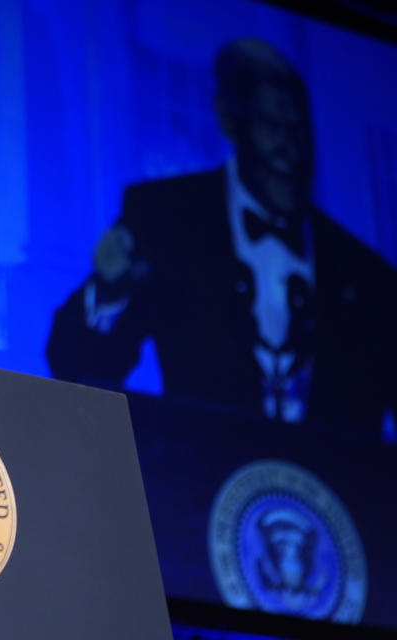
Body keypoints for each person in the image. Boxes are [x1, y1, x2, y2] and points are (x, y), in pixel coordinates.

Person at [46, 40, 397, 434]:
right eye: (272, 127)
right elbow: (77, 366)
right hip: (198, 488)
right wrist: (109, 293)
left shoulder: (370, 275)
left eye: (299, 131)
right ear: (230, 121)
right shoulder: (166, 216)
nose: (291, 153)